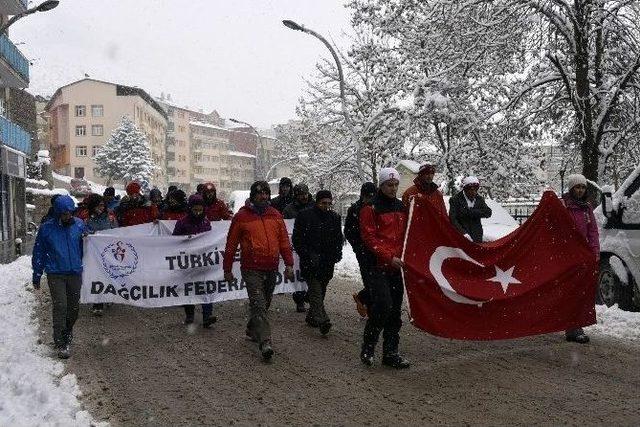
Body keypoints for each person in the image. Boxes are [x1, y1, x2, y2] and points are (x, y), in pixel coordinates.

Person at [223, 181, 295, 361]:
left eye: (266, 193)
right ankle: (265, 342)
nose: (263, 197)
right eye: (260, 193)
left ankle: (251, 328)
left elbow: (284, 242)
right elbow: (231, 244)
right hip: (251, 268)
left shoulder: (275, 215)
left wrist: (289, 264)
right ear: (253, 195)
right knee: (259, 303)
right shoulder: (241, 217)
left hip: (271, 266)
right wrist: (227, 269)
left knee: (265, 302)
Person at [359, 168, 410, 369]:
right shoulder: (370, 208)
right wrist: (389, 257)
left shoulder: (401, 207)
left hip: (397, 268)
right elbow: (369, 238)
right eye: (389, 185)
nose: (393, 188)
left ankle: (390, 352)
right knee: (383, 306)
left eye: (396, 184)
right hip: (378, 266)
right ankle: (368, 347)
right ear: (381, 185)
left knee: (395, 312)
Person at [32, 195, 88, 359]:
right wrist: (37, 273)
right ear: (57, 213)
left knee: (74, 309)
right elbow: (39, 252)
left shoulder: (79, 224)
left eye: (70, 213)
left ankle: (67, 331)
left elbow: (88, 242)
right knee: (61, 306)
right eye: (64, 214)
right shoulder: (47, 228)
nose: (68, 216)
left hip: (75, 273)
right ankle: (61, 342)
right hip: (55, 273)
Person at [292, 190, 343, 335]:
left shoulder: (334, 217)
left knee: (322, 289)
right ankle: (323, 320)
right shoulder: (305, 216)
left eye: (328, 203)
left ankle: (312, 316)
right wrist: (307, 255)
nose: (326, 206)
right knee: (315, 290)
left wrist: (337, 254)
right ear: (317, 202)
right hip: (311, 262)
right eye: (323, 203)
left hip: (327, 262)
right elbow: (297, 239)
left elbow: (338, 238)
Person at [562, 174, 600, 344]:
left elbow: (592, 231)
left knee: (579, 292)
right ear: (571, 189)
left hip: (582, 255)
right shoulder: (563, 206)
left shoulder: (587, 208)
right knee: (568, 291)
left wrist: (595, 251)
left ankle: (575, 327)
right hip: (566, 255)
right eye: (577, 187)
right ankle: (569, 325)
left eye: (583, 187)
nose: (580, 190)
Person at [173, 194, 217, 328]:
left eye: (200, 210)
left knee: (207, 288)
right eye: (195, 210)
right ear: (190, 209)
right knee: (189, 289)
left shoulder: (206, 222)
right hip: (188, 262)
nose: (198, 213)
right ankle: (190, 314)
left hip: (203, 261)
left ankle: (207, 316)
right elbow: (174, 241)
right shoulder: (182, 223)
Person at [344, 182, 378, 318]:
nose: (370, 199)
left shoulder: (378, 207)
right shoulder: (355, 209)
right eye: (367, 197)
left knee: (377, 281)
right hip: (364, 251)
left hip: (378, 250)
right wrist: (358, 247)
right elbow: (349, 231)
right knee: (369, 280)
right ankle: (370, 307)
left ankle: (363, 298)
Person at [85, 194, 118, 316]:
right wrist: (90, 235)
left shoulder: (110, 217)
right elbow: (83, 231)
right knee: (96, 277)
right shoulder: (87, 219)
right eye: (98, 205)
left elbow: (117, 231)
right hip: (93, 254)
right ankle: (97, 302)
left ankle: (108, 297)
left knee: (108, 275)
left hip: (108, 253)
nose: (101, 207)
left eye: (103, 205)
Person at [283, 183, 314, 313]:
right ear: (296, 195)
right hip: (296, 246)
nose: (304, 196)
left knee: (312, 275)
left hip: (312, 246)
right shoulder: (289, 209)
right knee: (298, 273)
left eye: (305, 194)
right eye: (301, 194)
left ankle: (311, 297)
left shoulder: (314, 206)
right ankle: (300, 299)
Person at [449, 176, 492, 243]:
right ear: (465, 189)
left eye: (475, 189)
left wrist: (473, 212)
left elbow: (488, 212)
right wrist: (463, 233)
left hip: (477, 236)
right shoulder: (455, 200)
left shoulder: (479, 199)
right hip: (461, 237)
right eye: (470, 189)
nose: (473, 192)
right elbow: (453, 219)